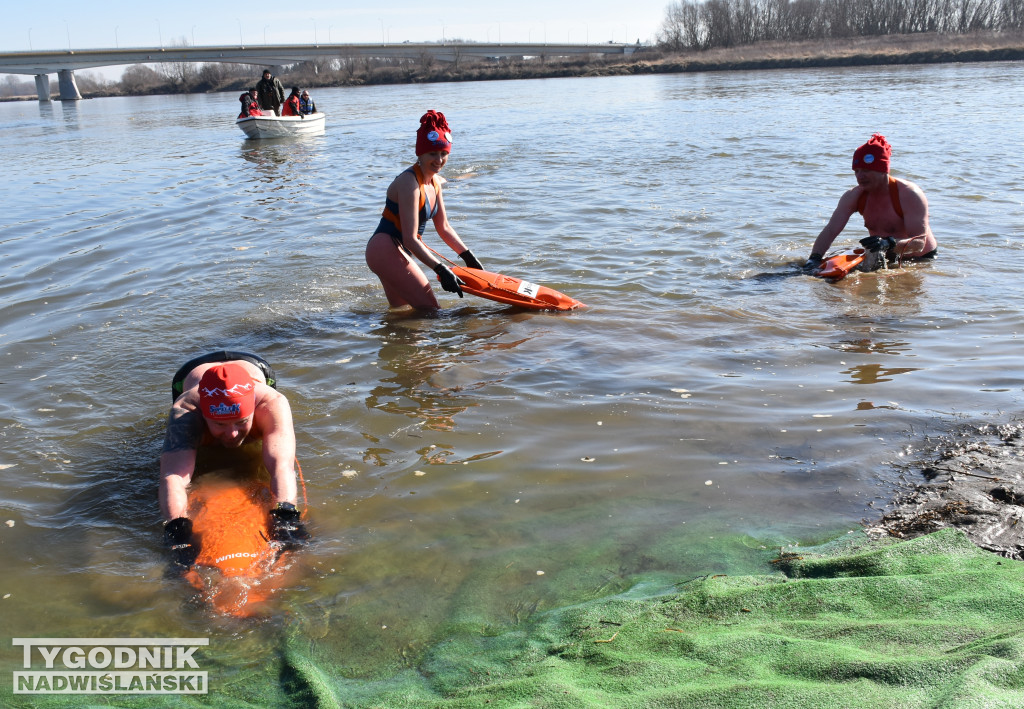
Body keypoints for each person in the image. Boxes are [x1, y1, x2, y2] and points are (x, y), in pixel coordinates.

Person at [160, 351, 308, 569]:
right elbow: (173, 476)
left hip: (254, 366)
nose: (231, 434)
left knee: (274, 449)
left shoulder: (271, 404)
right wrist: (178, 531)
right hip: (189, 373)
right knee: (184, 454)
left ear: (253, 410)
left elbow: (281, 467)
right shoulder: (186, 411)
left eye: (241, 423)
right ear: (204, 415)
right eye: (220, 424)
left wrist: (286, 515)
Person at [365, 110, 484, 310]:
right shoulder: (408, 182)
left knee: (402, 314)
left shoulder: (435, 182)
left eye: (444, 153)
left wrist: (468, 257)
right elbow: (411, 239)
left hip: (396, 251)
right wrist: (442, 269)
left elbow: (444, 227)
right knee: (431, 310)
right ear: (419, 153)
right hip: (385, 249)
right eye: (433, 154)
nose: (439, 160)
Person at [805, 134, 937, 272]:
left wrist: (888, 243)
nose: (860, 176)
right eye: (856, 171)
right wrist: (814, 258)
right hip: (885, 255)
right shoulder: (853, 196)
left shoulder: (909, 194)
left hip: (920, 259)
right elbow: (830, 230)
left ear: (882, 170)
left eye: (866, 171)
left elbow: (919, 243)